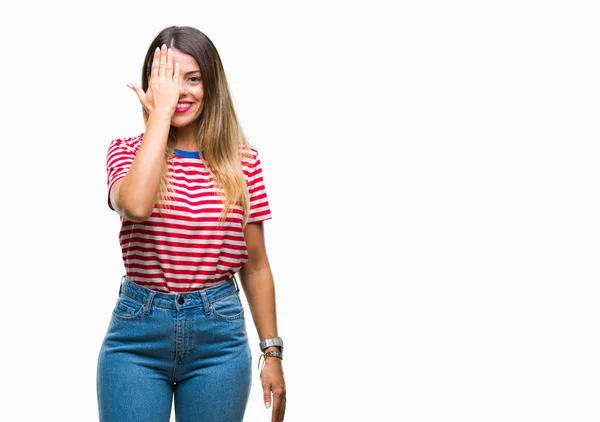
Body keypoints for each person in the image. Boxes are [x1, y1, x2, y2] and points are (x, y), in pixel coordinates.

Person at [96, 25, 286, 422]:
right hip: (137, 338)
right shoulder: (126, 151)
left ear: (211, 85)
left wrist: (272, 352)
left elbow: (255, 265)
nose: (180, 92)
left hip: (219, 339)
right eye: (168, 79)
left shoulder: (243, 162)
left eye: (194, 79)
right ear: (151, 85)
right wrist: (159, 116)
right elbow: (134, 205)